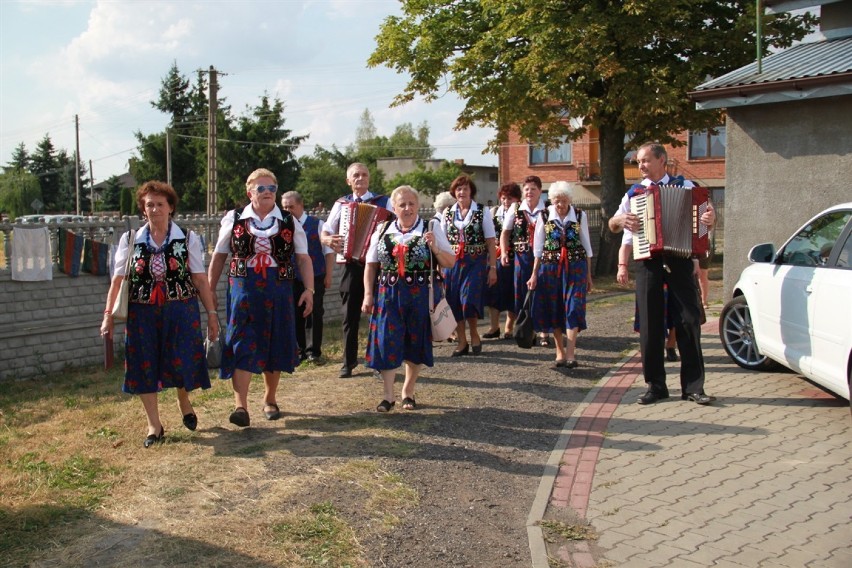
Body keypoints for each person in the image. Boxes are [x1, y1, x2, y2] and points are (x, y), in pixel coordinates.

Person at [100, 181, 218, 447]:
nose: (154, 209)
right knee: (144, 364)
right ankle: (154, 425)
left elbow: (200, 279)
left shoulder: (187, 238)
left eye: (159, 204)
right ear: (143, 208)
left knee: (181, 360)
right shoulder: (130, 239)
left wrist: (211, 313)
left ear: (171, 207)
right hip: (142, 313)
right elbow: (118, 280)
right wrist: (108, 314)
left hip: (181, 310)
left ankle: (183, 399)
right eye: (149, 204)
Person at [609, 143, 716, 405]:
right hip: (648, 262)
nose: (641, 166)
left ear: (662, 160)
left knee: (689, 321)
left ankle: (693, 387)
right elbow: (613, 224)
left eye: (645, 161)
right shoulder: (634, 194)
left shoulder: (687, 187)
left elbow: (707, 219)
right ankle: (655, 386)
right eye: (638, 163)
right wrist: (621, 221)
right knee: (650, 325)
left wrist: (710, 221)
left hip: (680, 261)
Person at [208, 168, 314, 427]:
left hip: (278, 291)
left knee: (274, 343)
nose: (267, 193)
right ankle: (240, 406)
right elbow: (220, 256)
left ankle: (270, 398)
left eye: (272, 189)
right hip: (243, 291)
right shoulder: (234, 220)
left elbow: (303, 257)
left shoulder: (289, 221)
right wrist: (209, 291)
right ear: (249, 193)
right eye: (261, 189)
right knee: (241, 344)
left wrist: (310, 290)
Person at [362, 186, 455, 411]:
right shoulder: (382, 229)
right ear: (393, 208)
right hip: (387, 294)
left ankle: (408, 391)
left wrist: (434, 248)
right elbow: (370, 265)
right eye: (402, 204)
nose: (407, 208)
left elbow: (450, 262)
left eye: (411, 203)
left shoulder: (431, 227)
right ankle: (388, 395)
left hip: (419, 294)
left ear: (418, 205)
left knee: (415, 341)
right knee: (386, 340)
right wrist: (367, 294)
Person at [321, 163, 394, 378]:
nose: (360, 178)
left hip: (379, 266)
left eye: (364, 175)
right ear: (348, 181)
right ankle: (348, 362)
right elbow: (326, 229)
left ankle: (379, 363)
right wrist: (326, 239)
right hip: (352, 266)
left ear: (369, 179)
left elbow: (396, 226)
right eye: (356, 175)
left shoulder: (384, 202)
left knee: (381, 315)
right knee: (349, 316)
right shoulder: (342, 204)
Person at [526, 181, 593, 367]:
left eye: (563, 201)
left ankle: (571, 353)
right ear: (552, 201)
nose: (560, 205)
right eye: (556, 201)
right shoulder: (544, 215)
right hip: (550, 268)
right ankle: (559, 351)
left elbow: (587, 246)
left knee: (573, 308)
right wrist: (533, 274)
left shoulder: (580, 215)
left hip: (576, 268)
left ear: (569, 200)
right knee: (554, 308)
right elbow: (538, 248)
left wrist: (588, 275)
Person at [441, 174, 498, 356]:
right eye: (458, 189)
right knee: (454, 301)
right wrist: (439, 267)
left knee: (469, 299)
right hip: (452, 263)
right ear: (454, 192)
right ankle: (462, 340)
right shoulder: (447, 212)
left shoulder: (482, 211)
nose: (462, 192)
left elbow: (490, 241)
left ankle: (474, 333)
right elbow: (442, 242)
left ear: (471, 191)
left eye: (465, 189)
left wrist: (493, 268)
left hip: (475, 262)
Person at [281, 190, 334, 363]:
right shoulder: (282, 226)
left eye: (291, 207)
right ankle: (298, 349)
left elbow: (329, 251)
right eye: (284, 208)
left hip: (316, 274)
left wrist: (329, 275)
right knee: (294, 312)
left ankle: (313, 351)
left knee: (314, 312)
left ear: (301, 205)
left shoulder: (317, 224)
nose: (288, 211)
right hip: (291, 277)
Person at [501, 175, 550, 346]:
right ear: (523, 192)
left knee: (542, 293)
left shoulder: (548, 210)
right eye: (527, 189)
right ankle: (526, 329)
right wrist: (504, 252)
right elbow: (505, 232)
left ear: (540, 191)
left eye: (533, 189)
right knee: (522, 294)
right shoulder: (515, 209)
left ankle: (544, 331)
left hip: (544, 258)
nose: (530, 192)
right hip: (521, 258)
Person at [483, 182, 521, 340]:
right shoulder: (493, 213)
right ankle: (494, 327)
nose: (506, 201)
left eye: (510, 198)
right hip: (496, 259)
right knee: (493, 293)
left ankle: (509, 326)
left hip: (515, 258)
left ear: (517, 199)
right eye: (504, 198)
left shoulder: (521, 214)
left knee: (513, 292)